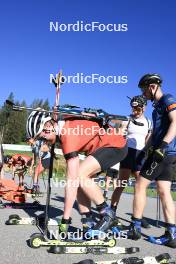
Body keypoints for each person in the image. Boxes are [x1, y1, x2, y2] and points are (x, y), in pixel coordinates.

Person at [26, 109, 127, 236]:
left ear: (48, 126)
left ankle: (107, 214)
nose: (44, 141)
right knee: (79, 181)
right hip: (103, 147)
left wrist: (65, 219)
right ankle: (88, 222)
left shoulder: (67, 136)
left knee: (78, 175)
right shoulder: (64, 128)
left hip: (115, 145)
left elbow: (71, 181)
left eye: (43, 136)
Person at [128, 74, 176, 248]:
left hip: (164, 152)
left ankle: (135, 226)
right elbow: (155, 133)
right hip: (167, 153)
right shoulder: (157, 109)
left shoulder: (167, 99)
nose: (143, 93)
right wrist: (143, 151)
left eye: (143, 89)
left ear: (151, 86)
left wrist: (162, 146)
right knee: (164, 191)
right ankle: (172, 234)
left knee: (140, 185)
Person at [111, 95, 152, 228]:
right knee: (121, 184)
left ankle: (139, 216)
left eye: (138, 108)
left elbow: (147, 140)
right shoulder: (127, 119)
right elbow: (118, 133)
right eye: (133, 107)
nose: (134, 110)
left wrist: (147, 153)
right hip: (127, 153)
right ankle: (111, 212)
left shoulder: (149, 122)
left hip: (140, 155)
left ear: (144, 107)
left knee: (140, 187)